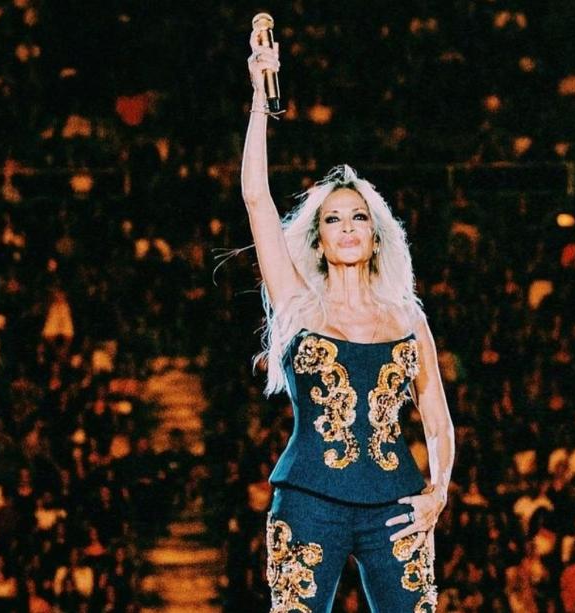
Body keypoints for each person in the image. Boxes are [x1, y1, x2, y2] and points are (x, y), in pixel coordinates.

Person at [241, 28, 455, 612]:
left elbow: (437, 418)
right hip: (310, 499)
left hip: (396, 503)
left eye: (358, 216)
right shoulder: (298, 303)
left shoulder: (407, 317)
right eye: (333, 219)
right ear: (319, 238)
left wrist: (438, 491)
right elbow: (257, 199)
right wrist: (260, 97)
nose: (347, 227)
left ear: (375, 233)